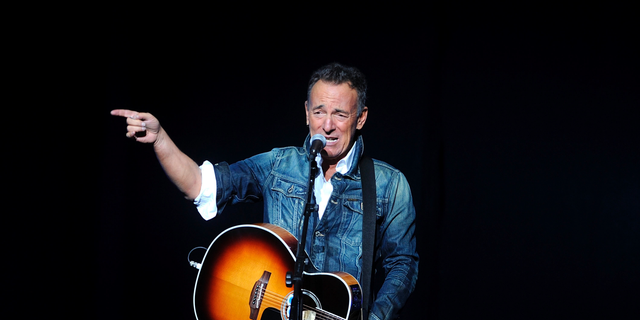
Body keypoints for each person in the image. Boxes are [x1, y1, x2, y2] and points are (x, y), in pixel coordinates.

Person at [111, 63, 418, 320]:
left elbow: (402, 267)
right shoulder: (278, 165)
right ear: (306, 113)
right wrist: (160, 140)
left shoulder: (390, 185)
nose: (327, 125)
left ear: (360, 118)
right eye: (319, 112)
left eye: (340, 114)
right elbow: (200, 186)